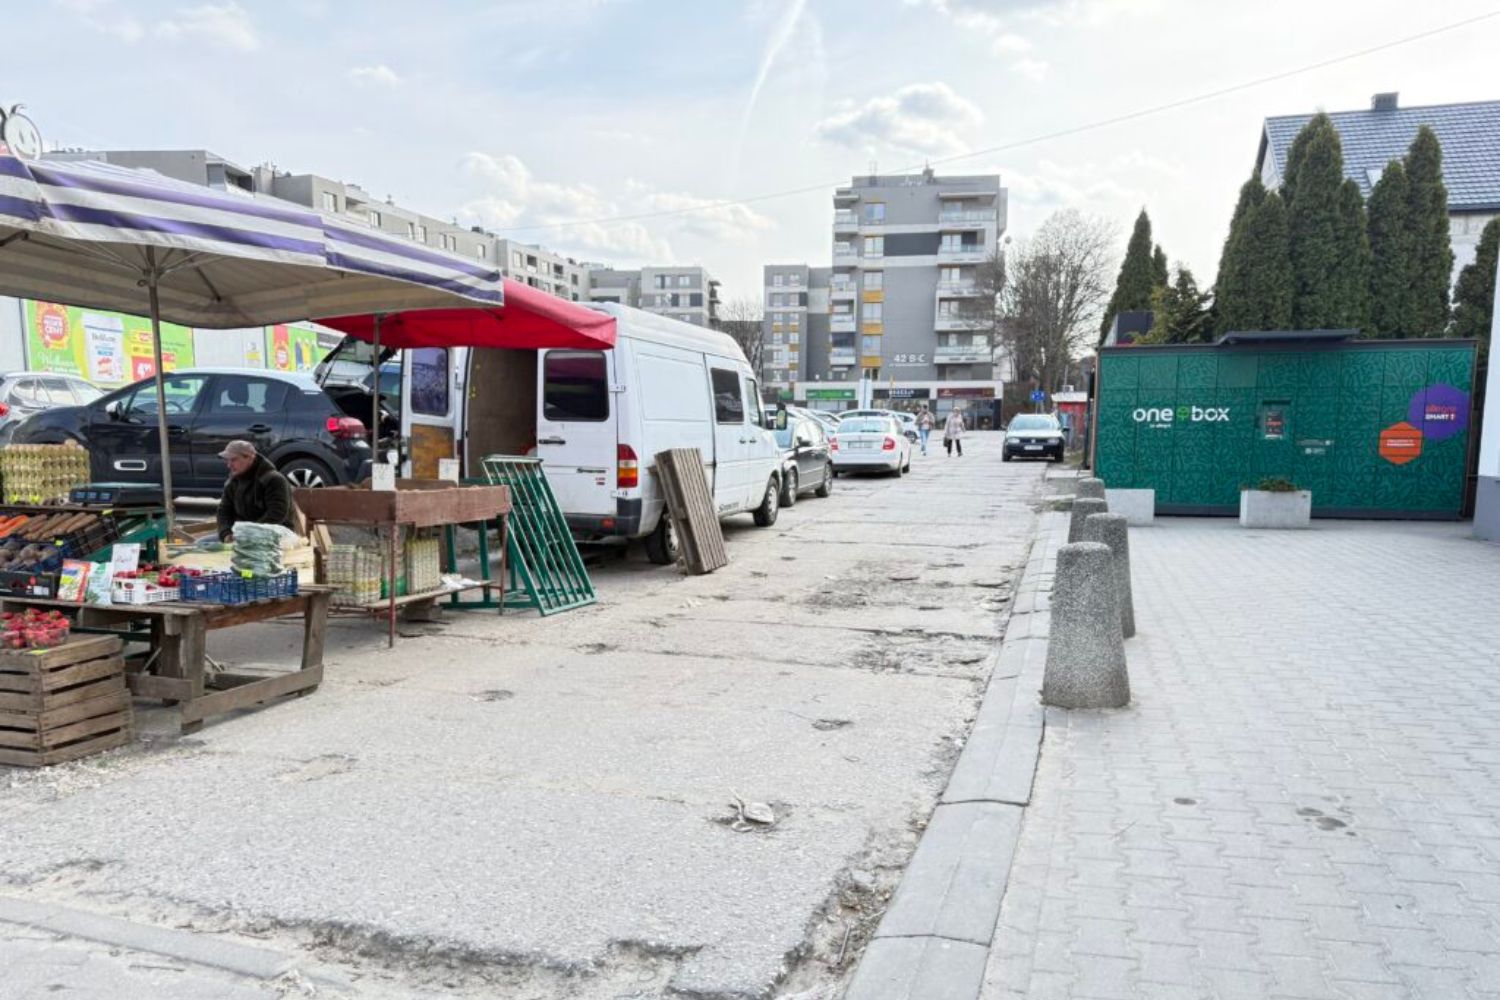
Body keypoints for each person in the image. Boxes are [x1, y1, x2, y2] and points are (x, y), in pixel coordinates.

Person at [216, 440, 294, 542]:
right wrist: (226, 533)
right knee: (200, 544)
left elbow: (276, 515)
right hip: (242, 535)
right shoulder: (232, 482)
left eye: (233, 460)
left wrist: (249, 534)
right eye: (227, 460)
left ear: (249, 457)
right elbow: (224, 511)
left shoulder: (274, 480)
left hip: (275, 535)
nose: (229, 465)